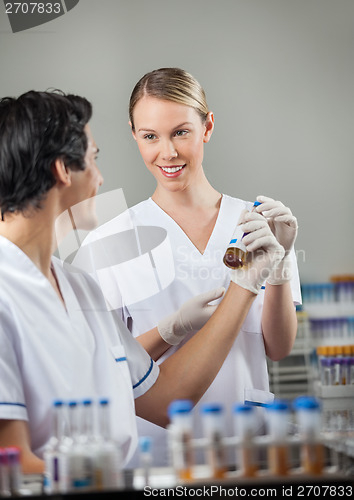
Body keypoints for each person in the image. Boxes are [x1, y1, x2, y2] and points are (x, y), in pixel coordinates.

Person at [0, 90, 285, 475]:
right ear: (62, 170)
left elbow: (166, 399)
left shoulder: (77, 286)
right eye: (92, 159)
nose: (100, 179)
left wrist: (246, 285)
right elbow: (11, 465)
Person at [74, 68, 301, 467]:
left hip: (245, 443)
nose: (168, 153)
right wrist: (170, 330)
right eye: (150, 136)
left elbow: (278, 349)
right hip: (158, 451)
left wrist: (279, 268)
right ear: (133, 134)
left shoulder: (258, 226)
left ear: (207, 126)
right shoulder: (108, 243)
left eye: (181, 132)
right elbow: (106, 368)